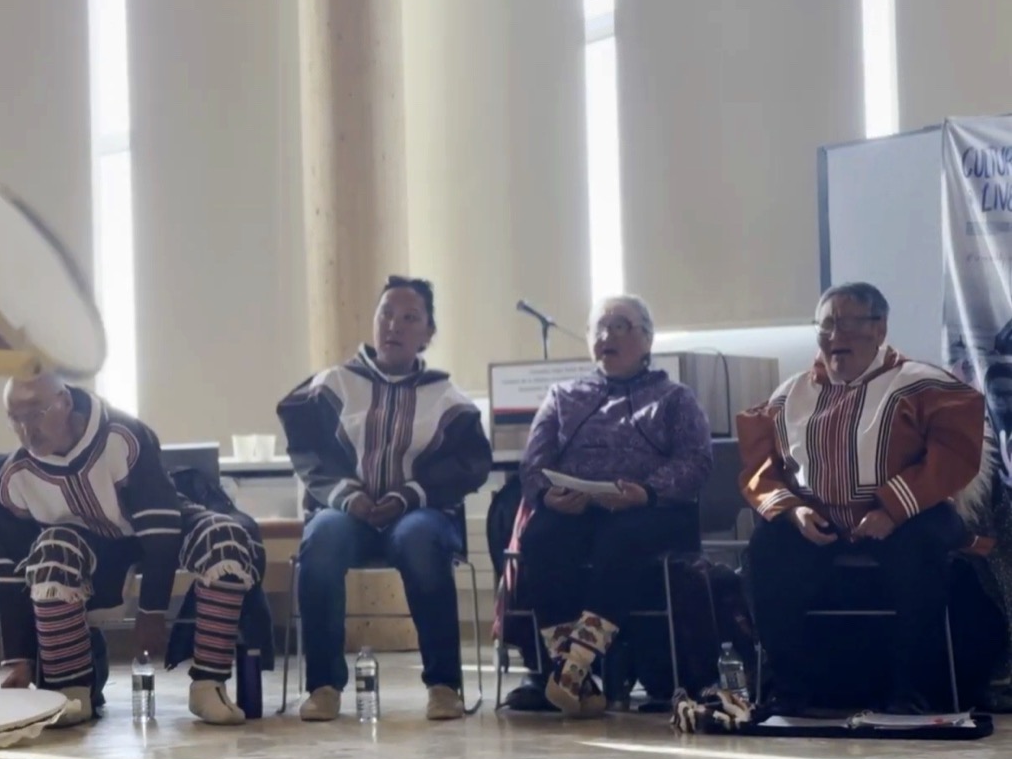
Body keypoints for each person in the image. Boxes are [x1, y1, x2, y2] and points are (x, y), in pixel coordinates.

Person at [738, 282, 985, 714]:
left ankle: (911, 690)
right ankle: (788, 690)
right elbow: (763, 470)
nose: (836, 337)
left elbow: (954, 456)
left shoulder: (922, 384)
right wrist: (793, 510)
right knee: (767, 548)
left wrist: (892, 508)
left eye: (849, 324)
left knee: (920, 548)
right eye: (827, 325)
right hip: (819, 520)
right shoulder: (789, 396)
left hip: (911, 515)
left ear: (879, 328)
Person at [276, 276, 492, 722]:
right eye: (386, 314)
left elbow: (468, 465)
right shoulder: (332, 385)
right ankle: (323, 685)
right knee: (322, 542)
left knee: (419, 541)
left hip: (417, 514)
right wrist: (347, 496)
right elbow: (309, 452)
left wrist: (408, 495)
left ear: (428, 333)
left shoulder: (448, 400)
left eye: (409, 318)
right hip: (347, 513)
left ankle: (443, 684)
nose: (394, 325)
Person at [0, 373, 261, 726]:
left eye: (37, 414)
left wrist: (152, 610)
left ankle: (208, 684)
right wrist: (20, 659)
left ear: (66, 401)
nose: (27, 430)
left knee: (225, 537)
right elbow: (10, 572)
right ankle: (71, 691)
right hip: (88, 546)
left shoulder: (124, 435)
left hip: (156, 528)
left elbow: (161, 528)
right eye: (16, 418)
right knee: (49, 553)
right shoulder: (14, 477)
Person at [504, 294, 712, 716]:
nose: (606, 335)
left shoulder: (675, 397)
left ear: (648, 339)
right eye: (598, 328)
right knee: (541, 535)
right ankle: (577, 683)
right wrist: (548, 497)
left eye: (620, 326)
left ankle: (573, 664)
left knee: (623, 535)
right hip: (578, 509)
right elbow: (533, 465)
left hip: (653, 510)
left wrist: (647, 492)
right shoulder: (563, 396)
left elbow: (697, 461)